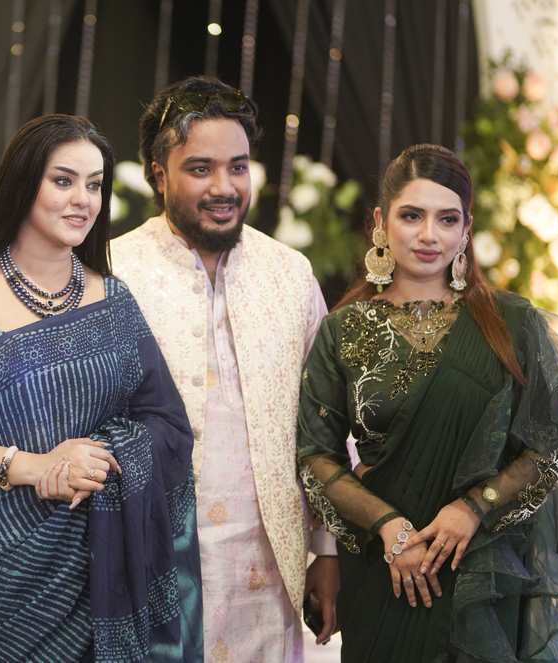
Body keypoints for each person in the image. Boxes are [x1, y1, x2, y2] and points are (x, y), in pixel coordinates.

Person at [0, 114, 203, 663]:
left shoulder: (114, 300)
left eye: (94, 185)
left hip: (98, 563)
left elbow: (167, 424)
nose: (83, 200)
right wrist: (37, 467)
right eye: (63, 180)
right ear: (23, 183)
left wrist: (99, 458)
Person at [298, 143, 558, 662]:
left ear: (466, 227)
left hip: (482, 570)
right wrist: (388, 527)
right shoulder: (344, 330)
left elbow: (552, 444)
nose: (429, 235)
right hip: (382, 571)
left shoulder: (510, 322)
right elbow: (317, 456)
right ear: (381, 222)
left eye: (447, 219)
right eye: (412, 216)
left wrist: (474, 507)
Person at [110, 75, 339, 662]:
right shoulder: (112, 273)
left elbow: (326, 422)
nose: (224, 187)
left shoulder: (289, 274)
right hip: (149, 555)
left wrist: (327, 548)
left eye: (238, 167)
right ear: (158, 175)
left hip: (269, 563)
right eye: (200, 168)